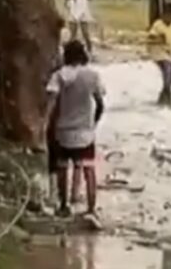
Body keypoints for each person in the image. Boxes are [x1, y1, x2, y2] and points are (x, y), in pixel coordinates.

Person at [44, 40, 105, 217]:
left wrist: (47, 126)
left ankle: (64, 205)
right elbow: (100, 104)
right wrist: (93, 123)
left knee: (63, 167)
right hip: (85, 132)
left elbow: (51, 105)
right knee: (88, 168)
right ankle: (91, 209)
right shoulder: (92, 76)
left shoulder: (58, 76)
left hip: (63, 131)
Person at [148, 2, 171, 107]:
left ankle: (162, 100)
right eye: (170, 16)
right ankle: (168, 102)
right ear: (164, 14)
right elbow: (150, 39)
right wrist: (159, 39)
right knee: (167, 75)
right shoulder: (158, 25)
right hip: (159, 54)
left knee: (170, 81)